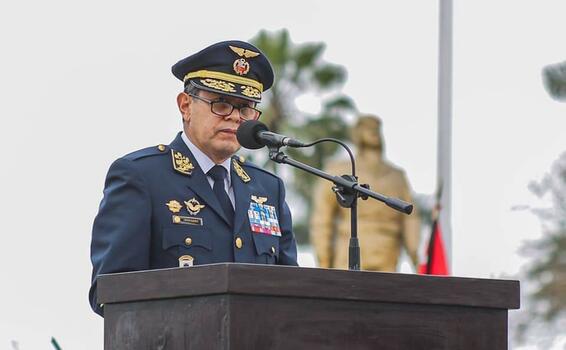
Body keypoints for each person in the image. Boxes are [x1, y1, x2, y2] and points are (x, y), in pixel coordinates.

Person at [89, 40, 299, 316]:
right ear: (185, 105)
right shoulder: (142, 176)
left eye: (245, 108)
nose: (236, 118)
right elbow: (110, 291)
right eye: (221, 104)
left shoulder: (268, 188)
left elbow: (292, 293)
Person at [310, 114, 420, 272]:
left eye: (375, 128)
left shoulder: (396, 176)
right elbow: (322, 221)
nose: (373, 131)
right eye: (366, 127)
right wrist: (324, 262)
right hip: (348, 255)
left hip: (387, 257)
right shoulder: (339, 171)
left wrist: (417, 258)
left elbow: (411, 219)